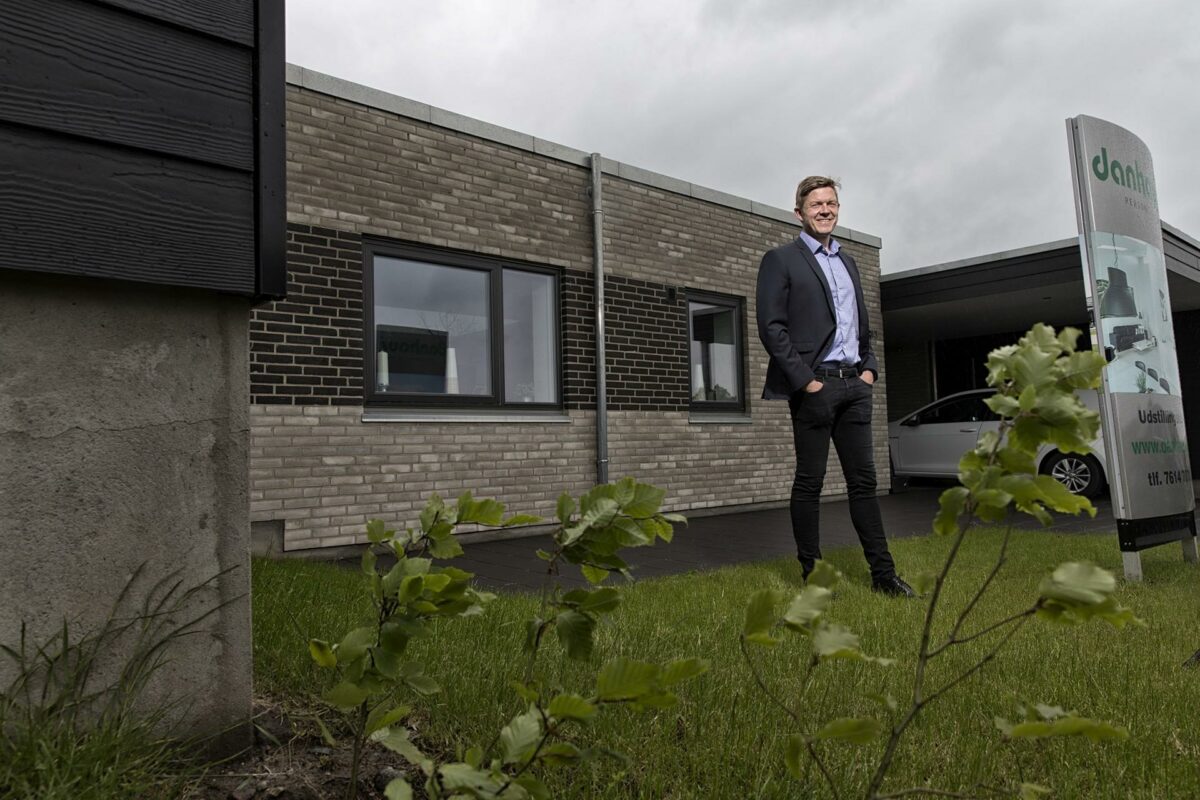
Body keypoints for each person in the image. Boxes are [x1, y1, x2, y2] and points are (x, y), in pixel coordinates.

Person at [755, 176, 914, 597]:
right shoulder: (781, 259)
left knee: (864, 484)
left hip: (854, 386)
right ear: (799, 212)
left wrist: (870, 371)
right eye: (816, 204)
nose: (825, 210)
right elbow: (771, 328)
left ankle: (884, 576)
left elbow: (861, 325)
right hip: (816, 387)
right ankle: (813, 576)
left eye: (831, 203)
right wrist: (806, 382)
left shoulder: (848, 261)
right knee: (810, 482)